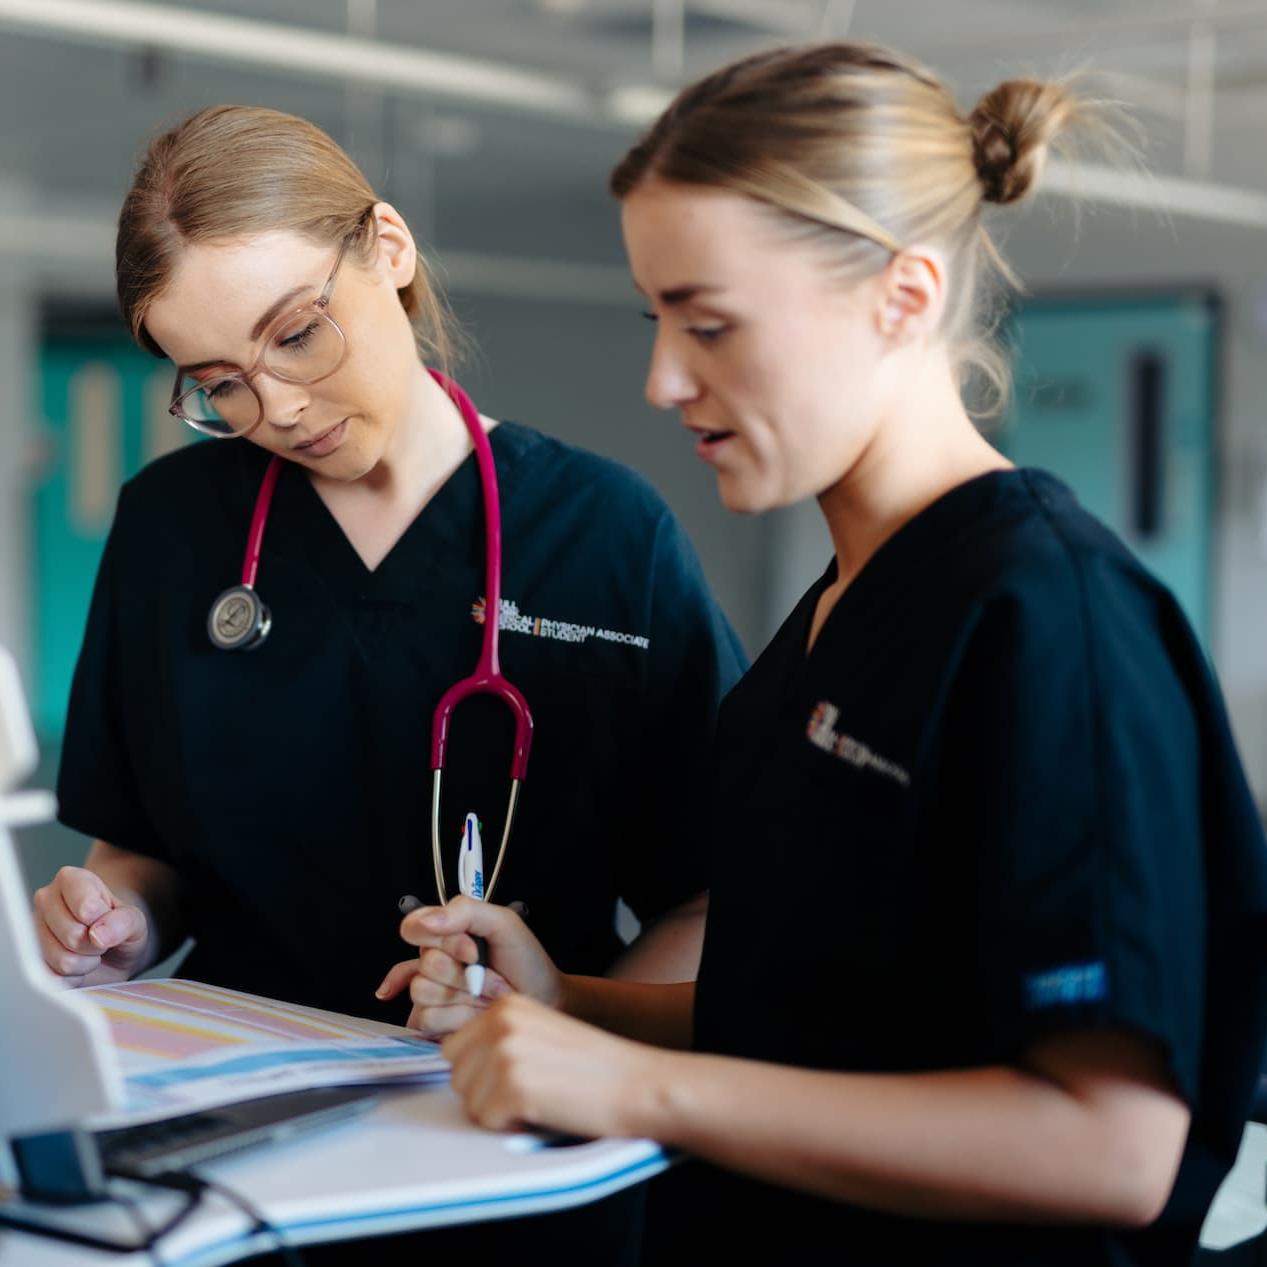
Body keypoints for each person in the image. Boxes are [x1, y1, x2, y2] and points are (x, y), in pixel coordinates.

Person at [393, 42, 1267, 1266]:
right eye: (657, 320)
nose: (660, 378)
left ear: (902, 297)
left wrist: (630, 1087)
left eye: (709, 325)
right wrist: (566, 1000)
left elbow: (1111, 1149)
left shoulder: (1047, 619)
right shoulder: (838, 610)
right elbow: (830, 1015)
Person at [33, 105, 745, 1026]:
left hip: (516, 1110)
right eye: (219, 384)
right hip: (242, 1082)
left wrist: (562, 1026)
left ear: (389, 247)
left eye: (294, 336)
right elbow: (136, 848)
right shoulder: (170, 526)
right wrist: (118, 924)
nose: (278, 408)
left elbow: (704, 895)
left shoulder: (607, 532)